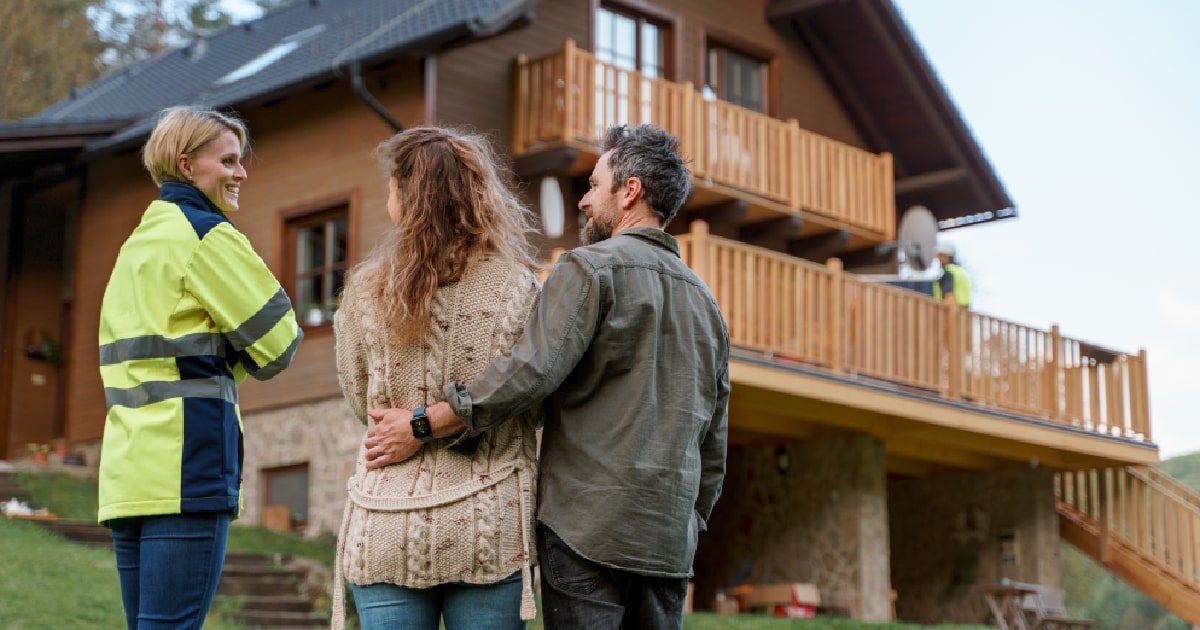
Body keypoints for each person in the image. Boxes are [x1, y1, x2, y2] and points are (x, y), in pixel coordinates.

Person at [364, 124, 731, 629]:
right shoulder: (708, 303)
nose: (583, 202)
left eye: (593, 186)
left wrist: (424, 422)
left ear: (630, 192)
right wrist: (689, 522)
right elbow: (715, 438)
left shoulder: (589, 269)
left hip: (586, 531)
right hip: (667, 542)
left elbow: (529, 373)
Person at [98, 105, 303, 629]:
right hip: (187, 470)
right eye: (228, 161)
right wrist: (233, 352)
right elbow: (280, 344)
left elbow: (157, 356)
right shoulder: (207, 235)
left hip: (127, 475)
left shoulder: (136, 245)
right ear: (187, 166)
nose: (241, 173)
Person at [330, 127, 543, 630]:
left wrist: (410, 424)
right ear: (477, 196)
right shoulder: (517, 288)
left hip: (385, 524)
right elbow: (531, 400)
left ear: (403, 197)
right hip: (488, 529)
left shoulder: (364, 290)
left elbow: (362, 401)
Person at [933, 241, 971, 307]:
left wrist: (950, 316)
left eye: (939, 256)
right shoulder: (959, 271)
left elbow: (949, 297)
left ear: (946, 256)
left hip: (953, 312)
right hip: (964, 313)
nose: (938, 259)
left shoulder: (949, 273)